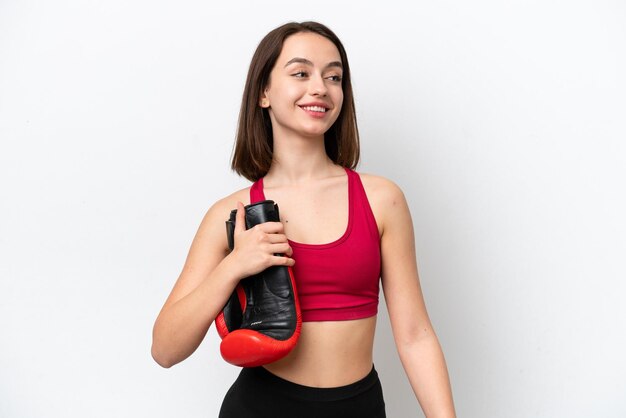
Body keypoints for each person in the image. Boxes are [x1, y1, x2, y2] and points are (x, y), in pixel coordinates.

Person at [151, 21, 456, 418]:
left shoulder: (382, 200)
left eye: (334, 76)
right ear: (263, 92)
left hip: (358, 407)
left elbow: (415, 336)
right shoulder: (232, 214)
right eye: (300, 73)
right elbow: (165, 349)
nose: (320, 88)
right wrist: (234, 267)